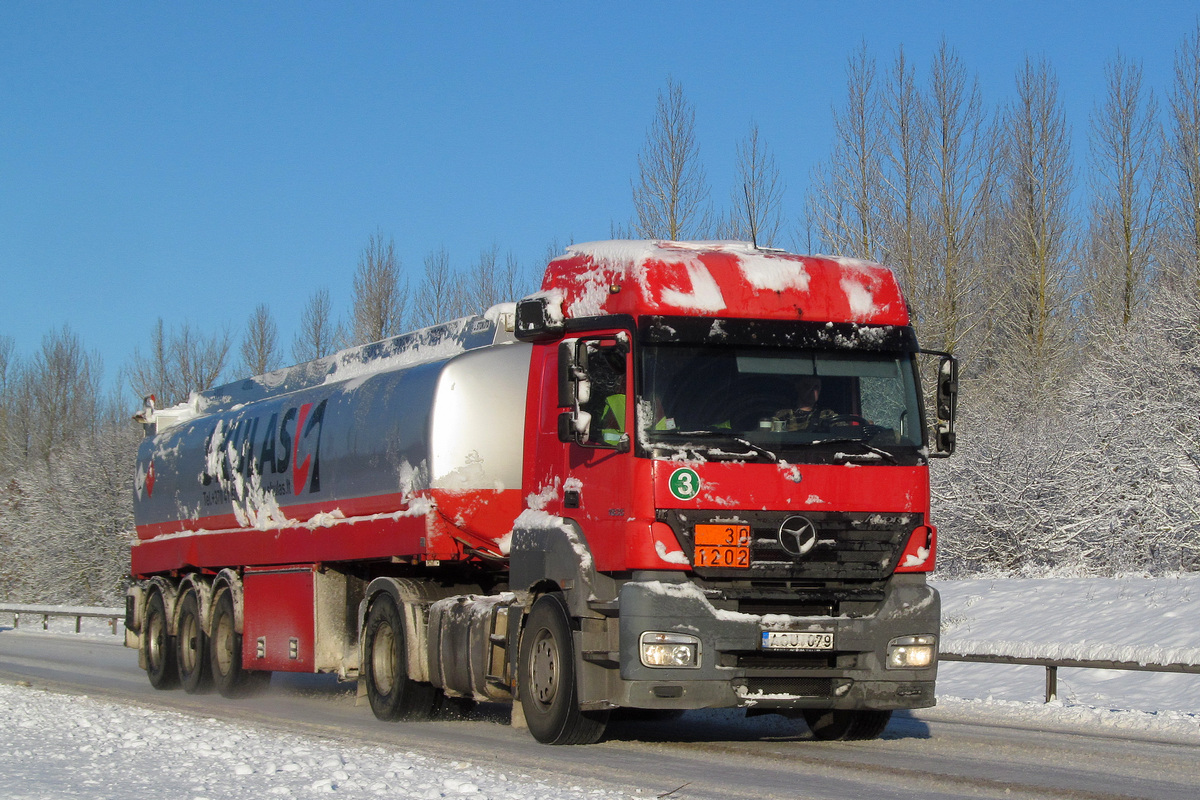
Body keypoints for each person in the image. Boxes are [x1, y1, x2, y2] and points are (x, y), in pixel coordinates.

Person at [774, 376, 839, 432]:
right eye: (807, 387)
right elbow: (776, 439)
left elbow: (843, 432)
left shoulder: (827, 414)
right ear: (798, 387)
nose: (812, 391)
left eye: (816, 387)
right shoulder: (784, 415)